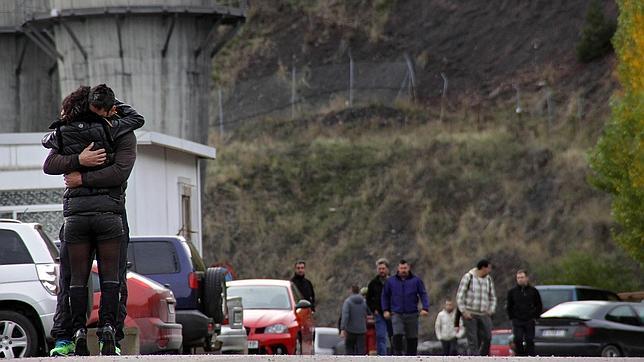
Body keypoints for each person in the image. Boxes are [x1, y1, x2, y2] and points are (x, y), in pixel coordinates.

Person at [43, 84, 144, 356]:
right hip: (109, 214)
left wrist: (79, 174)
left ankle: (71, 335)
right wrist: (81, 159)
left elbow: (49, 164)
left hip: (76, 214)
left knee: (73, 280)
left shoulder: (66, 133)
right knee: (113, 280)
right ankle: (109, 333)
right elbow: (120, 172)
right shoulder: (120, 131)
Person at [381, 260, 430, 356]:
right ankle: (397, 355)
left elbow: (423, 294)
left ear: (409, 268)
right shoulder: (391, 281)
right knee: (397, 333)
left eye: (405, 268)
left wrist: (425, 308)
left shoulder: (416, 281)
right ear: (398, 269)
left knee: (412, 337)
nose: (403, 270)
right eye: (401, 268)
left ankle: (411, 356)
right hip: (397, 313)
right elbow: (385, 296)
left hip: (412, 313)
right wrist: (385, 310)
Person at [456, 259, 497, 356]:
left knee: (488, 337)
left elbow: (492, 296)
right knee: (473, 340)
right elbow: (460, 296)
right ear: (483, 268)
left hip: (484, 313)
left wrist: (491, 309)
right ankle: (474, 357)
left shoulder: (488, 279)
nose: (490, 270)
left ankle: (483, 356)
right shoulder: (468, 277)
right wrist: (464, 311)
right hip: (470, 314)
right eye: (489, 268)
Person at [506, 269, 543, 356]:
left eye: (522, 277)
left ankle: (530, 356)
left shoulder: (533, 291)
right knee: (518, 339)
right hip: (517, 320)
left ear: (527, 278)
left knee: (529, 339)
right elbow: (509, 306)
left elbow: (539, 305)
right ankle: (520, 356)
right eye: (518, 278)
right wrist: (512, 317)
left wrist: (534, 315)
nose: (520, 279)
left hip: (529, 320)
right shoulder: (512, 292)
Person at [366, 257, 393, 355]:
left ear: (387, 269)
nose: (381, 271)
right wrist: (374, 310)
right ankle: (383, 357)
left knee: (393, 336)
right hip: (379, 314)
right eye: (379, 269)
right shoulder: (373, 283)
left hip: (392, 313)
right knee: (381, 336)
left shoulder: (393, 282)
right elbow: (368, 299)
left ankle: (395, 356)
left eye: (383, 268)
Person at [340, 285, 371, 355]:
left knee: (349, 349)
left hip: (350, 330)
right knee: (361, 350)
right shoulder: (364, 302)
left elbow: (345, 316)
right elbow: (369, 312)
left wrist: (342, 328)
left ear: (351, 291)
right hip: (362, 330)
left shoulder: (348, 302)